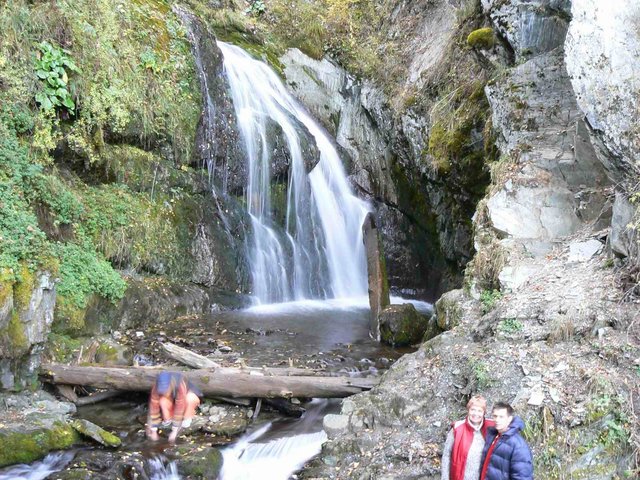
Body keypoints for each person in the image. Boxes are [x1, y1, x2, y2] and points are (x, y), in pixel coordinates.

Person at [441, 395, 496, 480]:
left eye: (479, 411)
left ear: (484, 413)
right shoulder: (457, 429)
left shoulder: (491, 428)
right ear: (468, 410)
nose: (475, 414)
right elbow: (446, 455)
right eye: (473, 409)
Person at [480, 402, 533, 480]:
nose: (497, 420)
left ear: (509, 419)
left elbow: (522, 477)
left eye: (501, 417)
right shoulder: (494, 436)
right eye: (495, 416)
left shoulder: (518, 446)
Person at [146, 371, 201, 442]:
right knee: (162, 400)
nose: (164, 393)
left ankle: (187, 418)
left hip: (187, 397)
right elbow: (154, 407)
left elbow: (180, 406)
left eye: (165, 390)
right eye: (162, 391)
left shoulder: (180, 383)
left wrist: (175, 431)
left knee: (190, 399)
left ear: (170, 385)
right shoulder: (156, 387)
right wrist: (153, 430)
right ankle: (169, 418)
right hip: (173, 400)